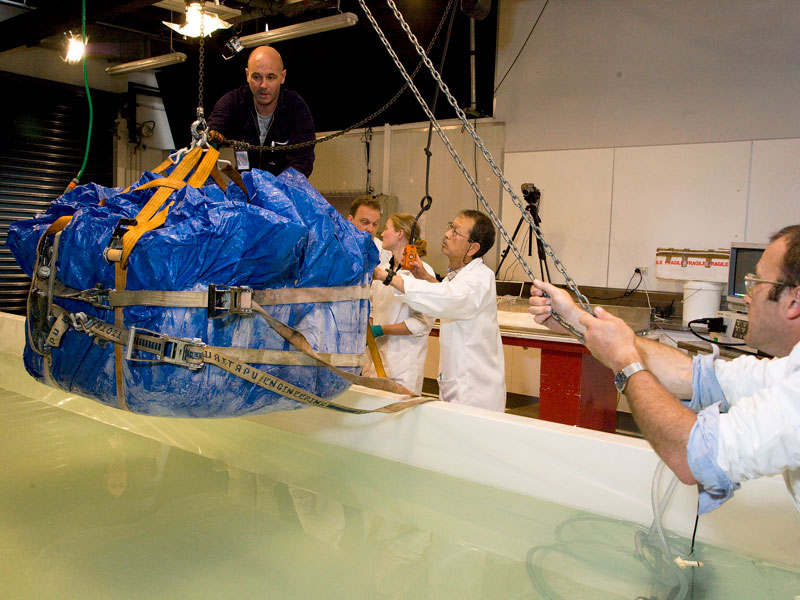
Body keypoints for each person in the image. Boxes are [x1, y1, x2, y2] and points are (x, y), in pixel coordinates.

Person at [527, 225, 800, 514]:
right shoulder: (787, 370)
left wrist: (627, 365)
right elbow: (696, 377)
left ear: (794, 300)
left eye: (756, 283)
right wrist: (575, 318)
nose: (748, 296)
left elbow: (695, 455)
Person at [373, 210, 506, 412]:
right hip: (457, 384)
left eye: (456, 232)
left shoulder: (480, 278)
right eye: (450, 226)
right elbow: (447, 293)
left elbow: (447, 299)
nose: (447, 234)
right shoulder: (458, 277)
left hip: (474, 391)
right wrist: (426, 277)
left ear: (473, 248)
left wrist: (388, 277)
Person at [206, 45, 315, 177]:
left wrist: (276, 190)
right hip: (245, 188)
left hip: (282, 192)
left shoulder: (296, 108)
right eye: (257, 77)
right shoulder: (232, 103)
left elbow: (302, 161)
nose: (263, 85)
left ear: (282, 77)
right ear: (247, 75)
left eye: (271, 77)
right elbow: (210, 139)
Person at [363, 213, 436, 394]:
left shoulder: (422, 272)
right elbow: (373, 306)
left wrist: (382, 330)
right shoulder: (383, 270)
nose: (382, 234)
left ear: (400, 234)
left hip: (403, 366)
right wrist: (369, 329)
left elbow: (422, 323)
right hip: (376, 360)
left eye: (386, 228)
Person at [347, 196, 390, 263]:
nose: (370, 229)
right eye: (365, 222)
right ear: (350, 220)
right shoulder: (335, 249)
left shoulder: (384, 252)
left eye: (375, 224)